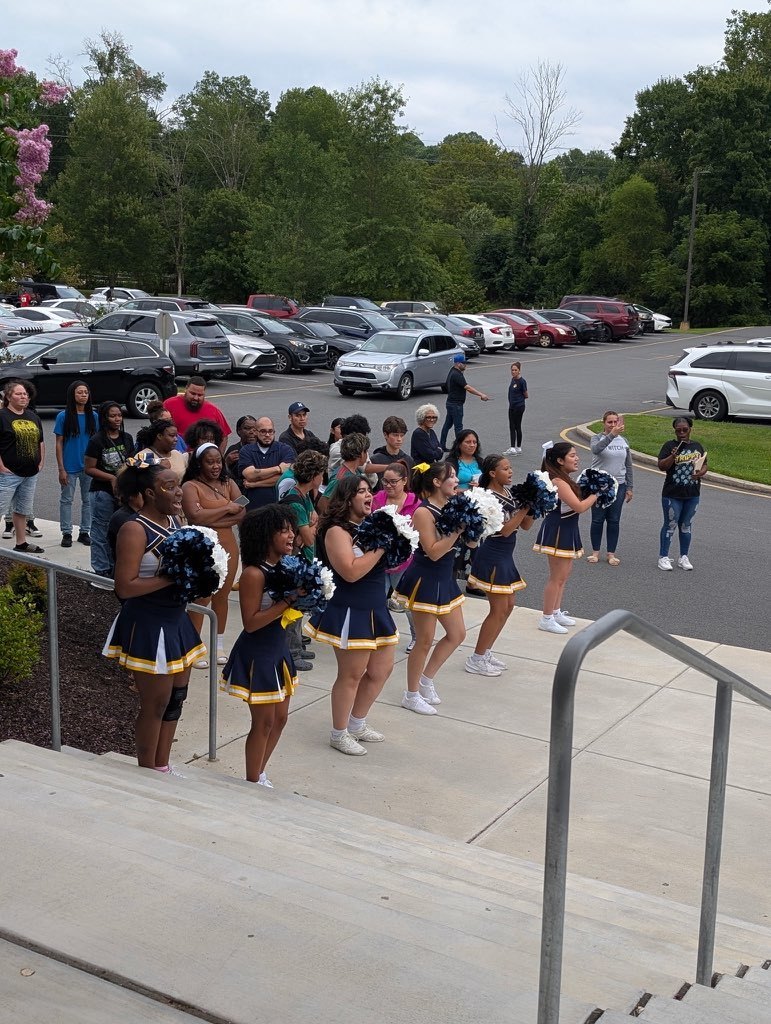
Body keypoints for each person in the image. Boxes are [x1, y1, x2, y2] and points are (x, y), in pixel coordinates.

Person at [103, 458, 206, 774]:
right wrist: (173, 578)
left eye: (178, 485)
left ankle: (162, 765)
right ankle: (148, 771)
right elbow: (125, 586)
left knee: (176, 698)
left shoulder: (175, 522)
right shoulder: (134, 529)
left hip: (177, 621)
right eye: (169, 487)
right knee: (156, 703)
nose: (179, 492)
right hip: (149, 623)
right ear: (149, 493)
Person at [305, 475, 396, 756]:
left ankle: (357, 723)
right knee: (351, 675)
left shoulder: (370, 525)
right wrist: (381, 546)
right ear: (347, 499)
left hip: (376, 607)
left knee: (381, 670)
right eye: (361, 491)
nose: (369, 496)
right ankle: (339, 733)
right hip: (350, 609)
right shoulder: (336, 530)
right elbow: (351, 571)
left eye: (370, 491)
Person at [220, 505, 301, 787]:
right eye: (284, 530)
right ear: (266, 535)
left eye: (292, 529)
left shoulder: (285, 567)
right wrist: (289, 600)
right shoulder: (254, 574)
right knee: (263, 722)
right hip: (259, 652)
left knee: (280, 719)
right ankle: (252, 781)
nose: (291, 535)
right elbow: (251, 623)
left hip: (278, 649)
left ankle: (260, 773)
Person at [393, 462, 467, 715]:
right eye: (451, 476)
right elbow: (433, 552)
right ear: (436, 482)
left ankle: (426, 680)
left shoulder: (453, 505)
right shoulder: (423, 513)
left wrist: (475, 527)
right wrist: (458, 530)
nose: (456, 480)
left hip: (445, 578)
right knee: (424, 640)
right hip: (426, 578)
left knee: (457, 634)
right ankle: (411, 694)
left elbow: (466, 543)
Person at [465, 454, 533, 674]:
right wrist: (524, 509)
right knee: (498, 609)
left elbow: (525, 526)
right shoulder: (488, 497)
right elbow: (504, 530)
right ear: (493, 473)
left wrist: (534, 506)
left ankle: (485, 652)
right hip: (492, 555)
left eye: (510, 467)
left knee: (509, 605)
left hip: (505, 556)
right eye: (505, 469)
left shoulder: (509, 493)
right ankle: (476, 659)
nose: (510, 471)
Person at [181, 442, 246, 668]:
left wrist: (212, 516)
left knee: (222, 596)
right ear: (199, 464)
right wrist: (226, 509)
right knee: (201, 597)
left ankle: (218, 646)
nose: (216, 466)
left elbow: (242, 512)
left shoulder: (229, 483)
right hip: (202, 548)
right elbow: (195, 517)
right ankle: (194, 646)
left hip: (228, 547)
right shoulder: (190, 486)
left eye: (218, 461)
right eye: (210, 462)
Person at [533, 441, 598, 634]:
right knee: (556, 577)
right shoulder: (558, 482)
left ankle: (555, 611)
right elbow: (579, 506)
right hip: (558, 530)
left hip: (568, 529)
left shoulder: (565, 479)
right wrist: (597, 494)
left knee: (564, 575)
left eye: (576, 455)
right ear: (560, 460)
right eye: (572, 455)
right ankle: (546, 618)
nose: (577, 458)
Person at [280, 448, 328, 672]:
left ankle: (297, 645)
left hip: (302, 558)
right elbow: (308, 538)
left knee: (299, 605)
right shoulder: (297, 503)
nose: (323, 477)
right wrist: (313, 524)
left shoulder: (304, 496)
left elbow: (307, 531)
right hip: (294, 561)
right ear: (314, 475)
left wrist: (309, 525)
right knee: (293, 605)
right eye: (321, 473)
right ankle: (292, 652)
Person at [371, 461, 419, 651]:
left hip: (405, 562)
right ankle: (379, 634)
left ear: (404, 481)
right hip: (379, 561)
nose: (388, 486)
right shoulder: (377, 499)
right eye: (385, 481)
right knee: (376, 599)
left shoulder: (415, 503)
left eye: (393, 482)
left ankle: (417, 637)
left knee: (407, 602)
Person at [84, 402, 135, 579]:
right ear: (105, 418)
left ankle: (115, 567)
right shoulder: (96, 440)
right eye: (113, 416)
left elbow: (131, 462)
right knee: (100, 531)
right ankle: (101, 569)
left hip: (123, 493)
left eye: (119, 415)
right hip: (102, 492)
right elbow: (89, 468)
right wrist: (111, 478)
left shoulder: (127, 438)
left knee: (119, 531)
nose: (117, 419)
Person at [0, 380, 45, 554]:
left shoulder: (33, 416)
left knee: (21, 510)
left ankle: (21, 543)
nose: (23, 396)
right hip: (7, 474)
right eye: (18, 394)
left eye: (25, 394)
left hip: (30, 474)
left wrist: (40, 462)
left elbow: (40, 441)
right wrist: (1, 466)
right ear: (8, 396)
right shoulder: (2, 416)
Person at [657, 416, 707, 571]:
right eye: (678, 430)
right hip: (672, 494)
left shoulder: (697, 446)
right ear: (675, 431)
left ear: (690, 429)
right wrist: (673, 456)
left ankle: (683, 557)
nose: (682, 432)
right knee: (670, 524)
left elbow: (704, 465)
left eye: (685, 429)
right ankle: (663, 557)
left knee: (686, 526)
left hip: (692, 493)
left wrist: (700, 473)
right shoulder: (669, 446)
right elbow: (662, 466)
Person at [54, 380, 99, 549]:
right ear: (72, 395)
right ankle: (66, 532)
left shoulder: (94, 416)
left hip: (89, 466)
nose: (83, 395)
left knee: (88, 501)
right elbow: (59, 442)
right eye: (79, 392)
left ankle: (84, 532)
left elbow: (97, 441)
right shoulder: (63, 416)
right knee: (66, 500)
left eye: (86, 392)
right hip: (69, 466)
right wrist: (61, 468)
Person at [587, 410, 634, 566]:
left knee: (614, 520)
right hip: (599, 485)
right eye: (610, 422)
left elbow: (628, 465)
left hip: (619, 485)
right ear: (604, 423)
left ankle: (611, 554)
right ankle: (595, 552)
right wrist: (611, 435)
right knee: (598, 519)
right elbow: (596, 449)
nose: (613, 425)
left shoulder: (624, 441)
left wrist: (629, 487)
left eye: (615, 422)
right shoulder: (596, 438)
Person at [239, 417, 295, 509]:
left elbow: (285, 479)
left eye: (270, 431)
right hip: (253, 508)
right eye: (263, 431)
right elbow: (250, 475)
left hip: (279, 507)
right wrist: (278, 469)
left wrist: (255, 484)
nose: (267, 435)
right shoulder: (246, 451)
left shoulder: (285, 450)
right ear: (256, 432)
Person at [439, 354, 490, 450]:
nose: (465, 364)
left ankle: (442, 445)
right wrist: (481, 394)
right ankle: (459, 448)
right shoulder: (457, 375)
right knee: (458, 427)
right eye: (464, 363)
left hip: (451, 403)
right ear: (458, 364)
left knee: (447, 425)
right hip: (456, 404)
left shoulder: (453, 371)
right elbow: (468, 388)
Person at [163, 376, 231, 448]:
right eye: (193, 393)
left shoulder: (214, 410)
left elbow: (224, 436)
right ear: (186, 389)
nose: (196, 398)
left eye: (200, 395)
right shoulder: (169, 404)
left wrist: (218, 454)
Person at [317, 432, 369, 511]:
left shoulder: (357, 472)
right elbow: (323, 504)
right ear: (361, 454)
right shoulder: (340, 478)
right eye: (366, 451)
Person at [370, 416, 414, 480]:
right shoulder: (375, 460)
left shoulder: (409, 460)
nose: (399, 439)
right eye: (395, 435)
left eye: (402, 435)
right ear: (385, 435)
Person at [224, 415, 258, 490]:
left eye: (255, 429)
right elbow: (222, 476)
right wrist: (226, 463)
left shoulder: (263, 449)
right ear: (239, 431)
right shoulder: (233, 450)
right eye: (247, 428)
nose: (252, 432)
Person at [505, 361, 528, 455]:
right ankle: (517, 448)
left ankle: (513, 447)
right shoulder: (513, 380)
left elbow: (526, 394)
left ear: (519, 371)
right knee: (515, 426)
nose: (513, 372)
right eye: (512, 370)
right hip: (512, 406)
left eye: (515, 370)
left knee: (514, 426)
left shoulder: (522, 381)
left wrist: (518, 400)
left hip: (518, 406)